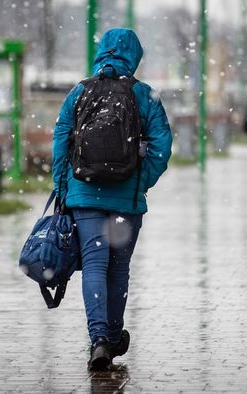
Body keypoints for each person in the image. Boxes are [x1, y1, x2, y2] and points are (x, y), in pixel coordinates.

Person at [52, 28, 172, 371]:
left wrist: (64, 189)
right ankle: (114, 335)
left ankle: (100, 339)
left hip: (84, 195)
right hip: (126, 199)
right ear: (134, 57)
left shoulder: (79, 92)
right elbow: (161, 148)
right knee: (118, 267)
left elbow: (61, 144)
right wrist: (141, 179)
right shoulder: (144, 95)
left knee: (94, 263)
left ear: (100, 52)